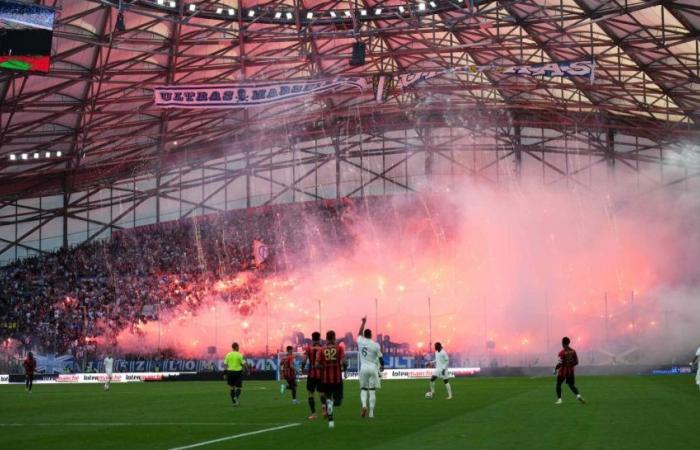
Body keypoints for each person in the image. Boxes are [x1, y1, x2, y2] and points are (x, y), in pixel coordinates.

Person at [317, 330, 347, 429]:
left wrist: (324, 367)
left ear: (326, 338)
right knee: (338, 402)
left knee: (328, 398)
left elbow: (317, 364)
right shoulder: (339, 348)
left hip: (325, 380)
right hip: (337, 379)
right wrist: (345, 369)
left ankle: (331, 421)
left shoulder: (321, 350)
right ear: (334, 338)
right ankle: (331, 405)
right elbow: (344, 362)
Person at [357, 316, 384, 418]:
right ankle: (371, 413)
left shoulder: (360, 341)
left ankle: (364, 405)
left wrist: (363, 323)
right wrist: (382, 367)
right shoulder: (375, 345)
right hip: (373, 368)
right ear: (371, 335)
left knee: (363, 389)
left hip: (363, 368)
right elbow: (381, 358)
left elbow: (359, 333)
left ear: (364, 335)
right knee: (372, 390)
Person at [554, 336, 585, 404]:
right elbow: (576, 362)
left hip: (562, 372)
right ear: (569, 343)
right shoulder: (573, 351)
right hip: (571, 372)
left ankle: (559, 400)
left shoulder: (561, 352)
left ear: (562, 343)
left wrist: (555, 369)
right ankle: (578, 395)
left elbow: (560, 363)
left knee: (558, 384)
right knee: (571, 385)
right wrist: (570, 365)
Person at [301, 331, 324, 419]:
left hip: (311, 374)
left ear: (312, 338)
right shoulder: (322, 348)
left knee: (310, 393)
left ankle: (314, 414)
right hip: (321, 374)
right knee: (322, 393)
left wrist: (302, 369)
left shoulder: (308, 348)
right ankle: (324, 408)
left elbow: (303, 360)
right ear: (319, 338)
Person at [224, 342, 247, 406]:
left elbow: (225, 364)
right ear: (236, 347)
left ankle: (234, 403)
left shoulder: (228, 354)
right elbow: (244, 364)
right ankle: (236, 397)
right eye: (238, 346)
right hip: (238, 372)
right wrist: (247, 370)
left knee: (232, 388)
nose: (239, 348)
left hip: (230, 372)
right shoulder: (239, 355)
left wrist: (225, 373)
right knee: (239, 388)